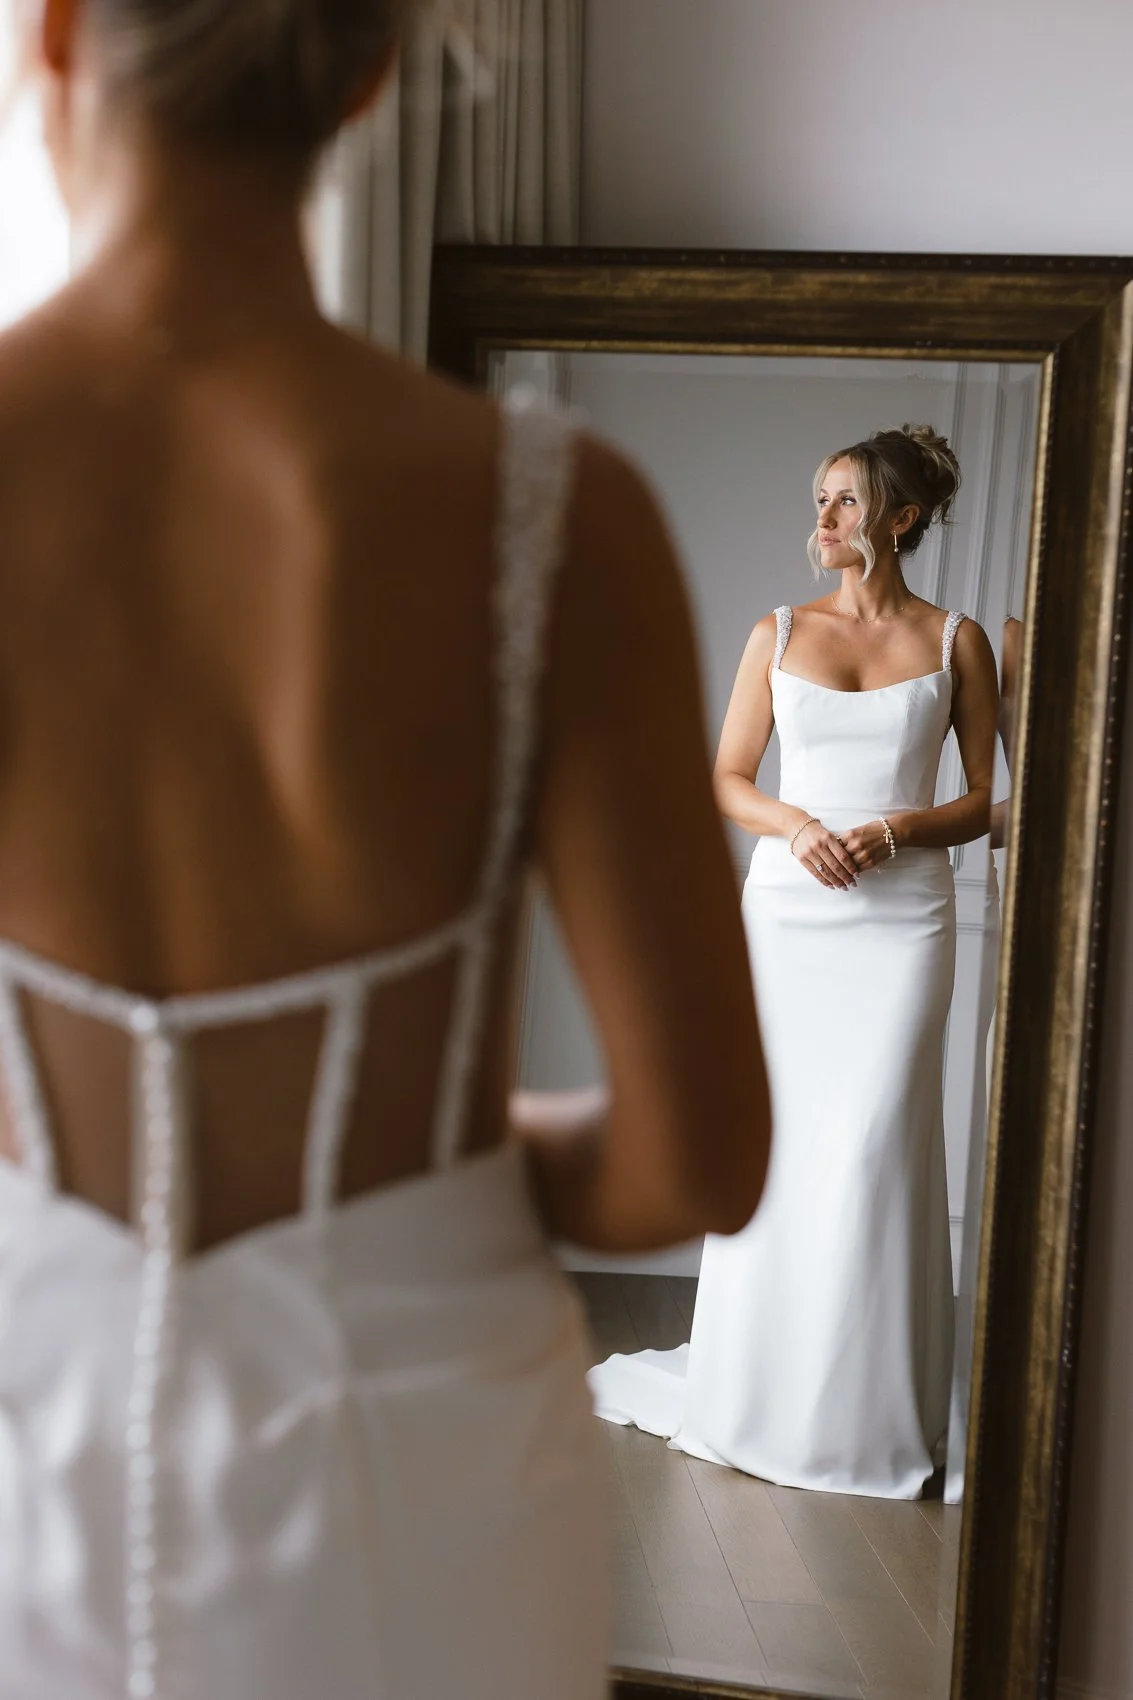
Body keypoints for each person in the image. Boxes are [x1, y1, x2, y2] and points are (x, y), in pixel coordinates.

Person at [0, 2, 771, 1696]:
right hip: (417, 1485)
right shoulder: (551, 521)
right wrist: (428, 1159)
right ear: (366, 71)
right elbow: (695, 1159)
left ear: (52, 36)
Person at [589, 424, 998, 1500]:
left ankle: (865, 1417)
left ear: (900, 518)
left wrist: (899, 830)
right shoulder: (776, 632)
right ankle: (762, 1397)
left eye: (845, 503)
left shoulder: (956, 640)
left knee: (870, 1147)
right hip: (786, 917)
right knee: (778, 1153)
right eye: (818, 499)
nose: (820, 519)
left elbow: (982, 801)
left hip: (901, 917)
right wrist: (793, 823)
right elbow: (723, 776)